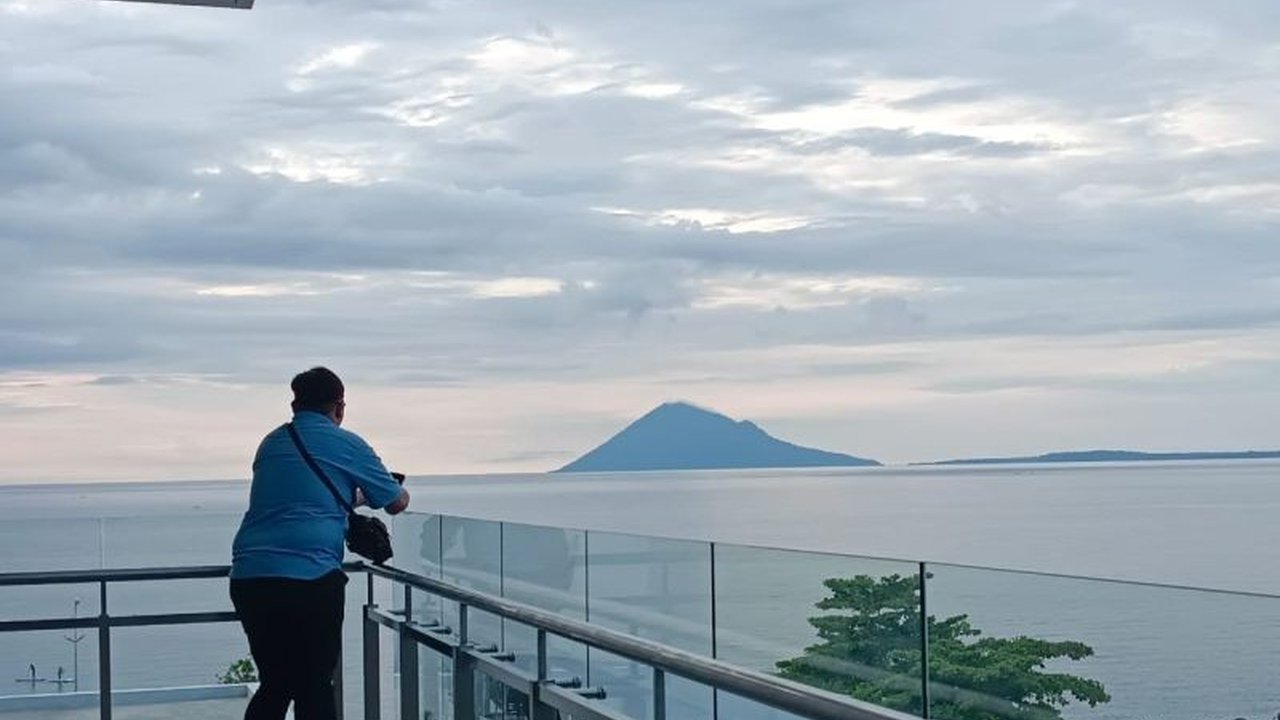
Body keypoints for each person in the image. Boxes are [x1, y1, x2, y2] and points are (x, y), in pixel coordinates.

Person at [229, 367, 410, 720]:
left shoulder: (272, 442)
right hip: (310, 579)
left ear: (295, 405)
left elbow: (298, 499)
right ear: (340, 407)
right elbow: (395, 502)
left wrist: (346, 500)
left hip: (252, 576)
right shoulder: (348, 444)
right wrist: (395, 487)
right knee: (314, 685)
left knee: (276, 682)